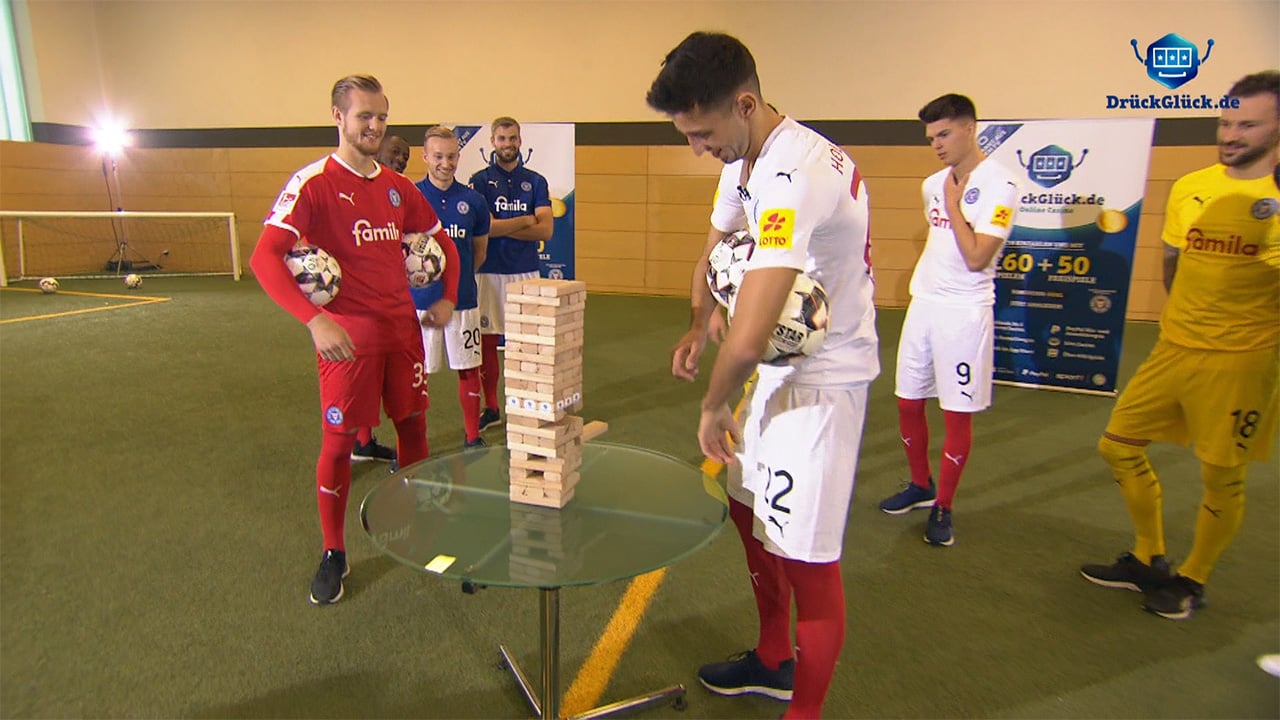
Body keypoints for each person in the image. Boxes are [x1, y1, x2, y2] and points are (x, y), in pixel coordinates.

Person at [649, 31, 878, 719]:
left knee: (810, 561)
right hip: (783, 371)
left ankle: (801, 712)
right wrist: (697, 320)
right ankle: (774, 659)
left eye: (701, 131)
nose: (697, 148)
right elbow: (715, 249)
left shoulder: (793, 171)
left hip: (824, 383)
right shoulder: (745, 160)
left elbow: (749, 336)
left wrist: (713, 405)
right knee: (752, 514)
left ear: (744, 102)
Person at [249, 74, 460, 605]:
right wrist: (313, 320)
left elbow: (444, 247)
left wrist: (447, 296)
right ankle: (333, 551)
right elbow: (263, 257)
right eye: (364, 115)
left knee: (413, 425)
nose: (374, 126)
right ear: (338, 117)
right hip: (348, 341)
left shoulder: (397, 187)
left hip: (403, 334)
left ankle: (414, 527)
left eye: (382, 116)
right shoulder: (313, 183)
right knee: (340, 443)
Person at [1080, 70, 1280, 620]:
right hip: (1174, 347)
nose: (1232, 133)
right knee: (1117, 444)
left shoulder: (1277, 198)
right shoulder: (1191, 185)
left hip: (1241, 362)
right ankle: (1149, 559)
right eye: (1226, 121)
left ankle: (1194, 578)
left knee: (1222, 474)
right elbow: (1173, 262)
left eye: (1248, 124)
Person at [876, 94, 1019, 547]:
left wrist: (955, 205)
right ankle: (921, 485)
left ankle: (945, 506)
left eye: (944, 134)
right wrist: (947, 199)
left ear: (970, 128)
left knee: (956, 413)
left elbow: (977, 257)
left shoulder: (1003, 185)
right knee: (907, 402)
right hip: (925, 305)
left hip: (965, 312)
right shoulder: (931, 183)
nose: (936, 144)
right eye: (931, 137)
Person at [468, 117, 554, 433]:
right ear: (492, 141)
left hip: (525, 274)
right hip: (489, 273)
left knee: (526, 346)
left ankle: (525, 407)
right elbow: (486, 228)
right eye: (502, 138)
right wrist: (526, 219)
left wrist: (504, 226)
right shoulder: (478, 181)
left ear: (520, 140)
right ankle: (492, 408)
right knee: (488, 344)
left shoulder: (536, 180)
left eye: (512, 138)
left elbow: (546, 229)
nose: (508, 144)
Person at [413, 126, 491, 448]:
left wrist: (454, 284)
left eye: (451, 156)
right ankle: (414, 442)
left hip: (463, 302)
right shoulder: (410, 196)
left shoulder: (473, 200)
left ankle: (472, 436)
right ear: (425, 157)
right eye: (438, 157)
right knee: (416, 377)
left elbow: (479, 252)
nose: (446, 163)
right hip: (418, 304)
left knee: (469, 369)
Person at [343, 134, 415, 464]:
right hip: (355, 310)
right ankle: (359, 442)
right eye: (396, 153)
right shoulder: (351, 186)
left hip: (393, 303)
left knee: (398, 391)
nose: (400, 159)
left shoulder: (400, 190)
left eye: (405, 156)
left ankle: (365, 442)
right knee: (363, 387)